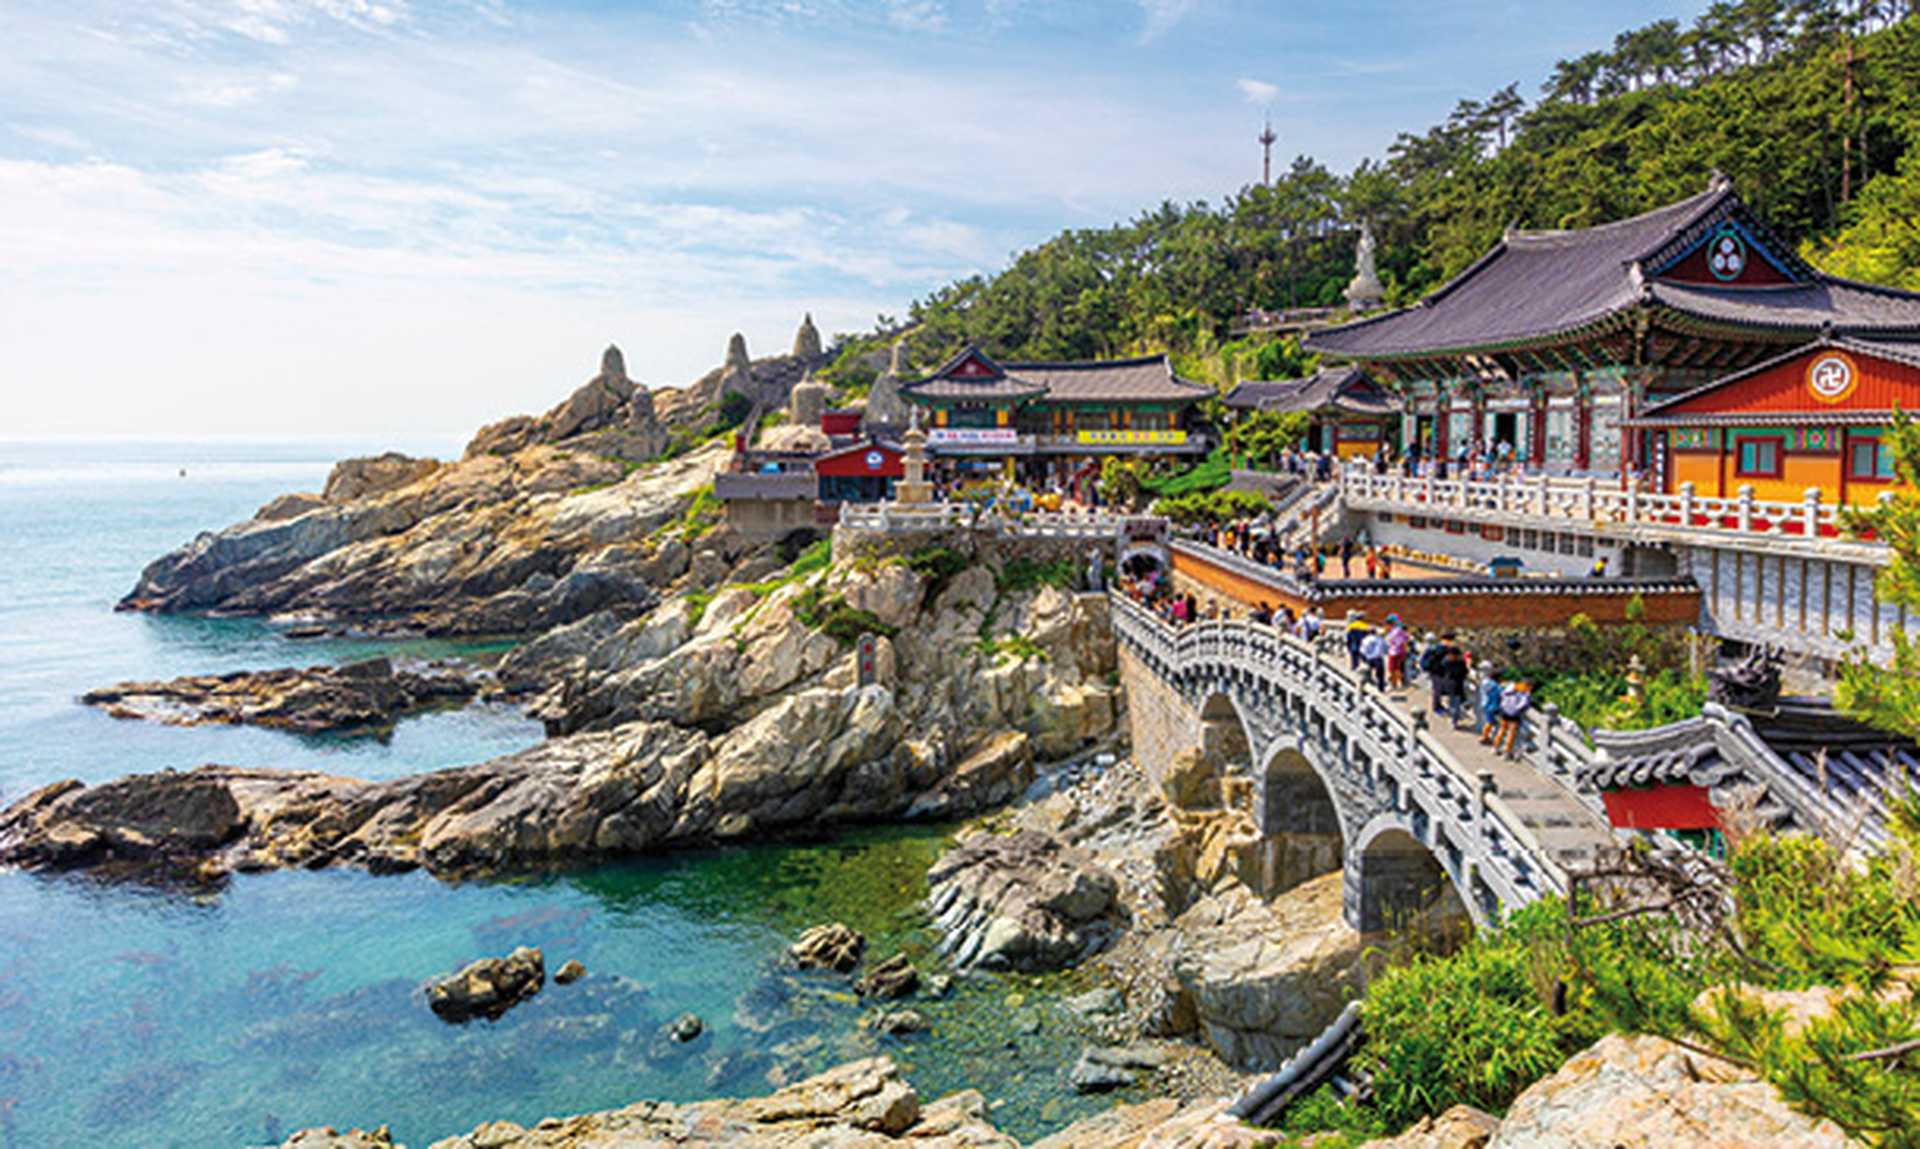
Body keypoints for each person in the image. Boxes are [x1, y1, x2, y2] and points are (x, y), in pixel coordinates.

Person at [1495, 678, 1533, 758]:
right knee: (1511, 733)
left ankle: (1496, 748)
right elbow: (1523, 704)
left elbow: (1503, 694)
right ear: (1528, 686)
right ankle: (1506, 752)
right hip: (1514, 714)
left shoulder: (1512, 687)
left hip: (1504, 710)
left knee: (1501, 730)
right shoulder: (1526, 694)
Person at [1439, 637, 1470, 727]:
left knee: (1453, 704)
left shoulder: (1446, 661)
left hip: (1450, 685)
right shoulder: (1459, 662)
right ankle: (1454, 721)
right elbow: (1465, 672)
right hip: (1456, 685)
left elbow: (1442, 670)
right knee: (1455, 704)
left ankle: (1454, 720)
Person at [1478, 669, 1506, 745]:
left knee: (1489, 722)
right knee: (1490, 722)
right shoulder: (1496, 686)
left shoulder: (1485, 682)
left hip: (1485, 703)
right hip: (1493, 706)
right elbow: (1502, 695)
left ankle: (1485, 737)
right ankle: (1484, 737)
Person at [1384, 616, 1411, 690]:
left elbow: (1389, 641)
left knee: (1392, 669)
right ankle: (1401, 682)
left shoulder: (1393, 632)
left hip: (1394, 652)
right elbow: (1407, 638)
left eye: (1386, 625)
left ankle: (1394, 685)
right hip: (1401, 652)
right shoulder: (1400, 631)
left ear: (1390, 625)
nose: (1385, 627)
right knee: (1397, 668)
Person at [1359, 625, 1387, 690]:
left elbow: (1362, 650)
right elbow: (1386, 648)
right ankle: (1381, 688)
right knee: (1380, 675)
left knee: (1367, 673)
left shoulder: (1365, 640)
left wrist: (1363, 659)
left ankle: (1368, 687)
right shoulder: (1380, 639)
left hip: (1369, 658)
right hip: (1378, 658)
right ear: (1375, 632)